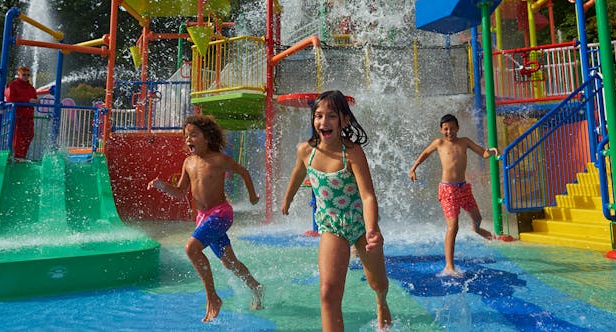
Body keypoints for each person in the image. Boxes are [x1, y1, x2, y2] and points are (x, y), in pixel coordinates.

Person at [281, 90, 391, 331]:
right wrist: (287, 199)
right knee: (328, 292)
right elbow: (298, 172)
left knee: (378, 282)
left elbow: (368, 195)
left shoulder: (351, 152)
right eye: (318, 116)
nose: (323, 122)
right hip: (332, 227)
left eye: (331, 116)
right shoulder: (306, 151)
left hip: (361, 224)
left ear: (345, 120)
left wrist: (372, 229)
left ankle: (382, 302)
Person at [147, 114, 264, 323]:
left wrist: (253, 196)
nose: (188, 139)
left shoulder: (219, 159)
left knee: (191, 249)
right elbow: (181, 192)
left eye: (193, 134)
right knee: (229, 262)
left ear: (207, 137)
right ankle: (256, 287)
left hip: (221, 214)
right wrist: (163, 186)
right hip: (203, 218)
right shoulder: (188, 162)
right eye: (186, 136)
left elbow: (244, 172)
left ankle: (212, 298)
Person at [408, 113, 498, 277]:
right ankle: (449, 265)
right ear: (441, 130)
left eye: (452, 128)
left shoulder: (464, 141)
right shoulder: (439, 143)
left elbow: (482, 153)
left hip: (463, 188)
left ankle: (476, 229)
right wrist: (414, 168)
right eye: (446, 129)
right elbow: (425, 153)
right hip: (447, 190)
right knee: (453, 226)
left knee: (477, 217)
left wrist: (491, 152)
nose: (449, 131)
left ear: (458, 128)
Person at [4, 66, 38, 159]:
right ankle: (18, 157)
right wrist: (28, 100)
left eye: (28, 75)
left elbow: (34, 98)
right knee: (18, 138)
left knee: (29, 135)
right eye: (24, 75)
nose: (26, 76)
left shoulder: (31, 88)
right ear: (19, 75)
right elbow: (10, 99)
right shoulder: (12, 85)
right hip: (17, 116)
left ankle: (21, 157)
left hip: (28, 116)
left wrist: (36, 101)